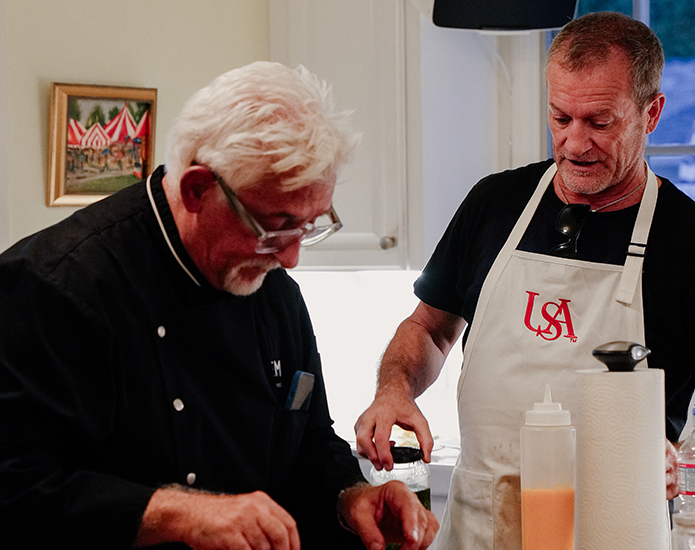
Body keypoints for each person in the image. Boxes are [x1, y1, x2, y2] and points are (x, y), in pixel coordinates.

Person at [355, 11, 695, 549]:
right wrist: (393, 391)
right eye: (560, 118)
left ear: (652, 113)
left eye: (599, 123)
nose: (575, 144)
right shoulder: (494, 204)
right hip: (480, 530)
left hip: (616, 532)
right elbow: (430, 330)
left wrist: (686, 463)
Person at [0, 61, 437, 550]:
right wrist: (177, 512)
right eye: (275, 226)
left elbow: (307, 443)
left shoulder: (269, 288)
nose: (290, 258)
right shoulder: (53, 286)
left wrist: (350, 498)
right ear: (196, 190)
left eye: (309, 226)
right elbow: (13, 489)